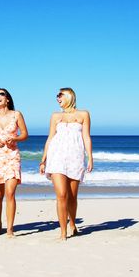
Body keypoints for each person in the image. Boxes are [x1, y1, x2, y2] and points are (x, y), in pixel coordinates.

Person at [40, 87, 93, 240]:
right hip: (56, 157)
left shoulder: (83, 114)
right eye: (57, 96)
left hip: (75, 157)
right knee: (61, 195)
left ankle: (73, 223)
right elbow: (50, 138)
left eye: (60, 95)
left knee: (72, 196)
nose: (57, 98)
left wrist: (90, 157)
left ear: (69, 96)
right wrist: (43, 159)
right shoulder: (56, 116)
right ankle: (63, 232)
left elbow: (86, 137)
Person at [0, 88, 28, 237]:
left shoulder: (16, 115)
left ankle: (10, 228)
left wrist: (15, 138)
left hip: (11, 155)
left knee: (10, 193)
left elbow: (24, 134)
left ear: (7, 99)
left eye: (1, 94)